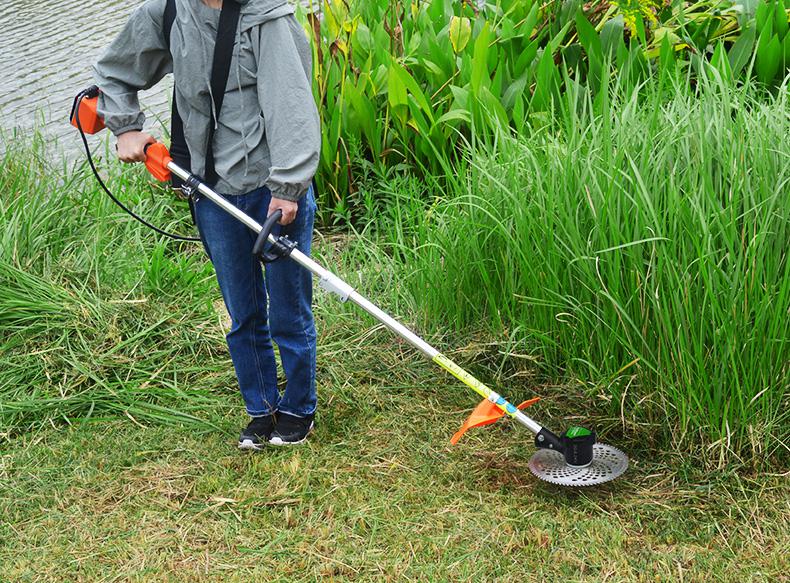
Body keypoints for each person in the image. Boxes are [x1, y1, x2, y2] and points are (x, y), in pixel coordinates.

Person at [93, 0, 321, 447]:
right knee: (242, 312)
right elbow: (114, 72)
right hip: (213, 192)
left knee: (289, 311)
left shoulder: (268, 18)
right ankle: (261, 408)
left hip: (273, 190)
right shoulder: (168, 12)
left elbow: (291, 106)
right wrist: (125, 127)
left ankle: (298, 408)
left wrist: (288, 188)